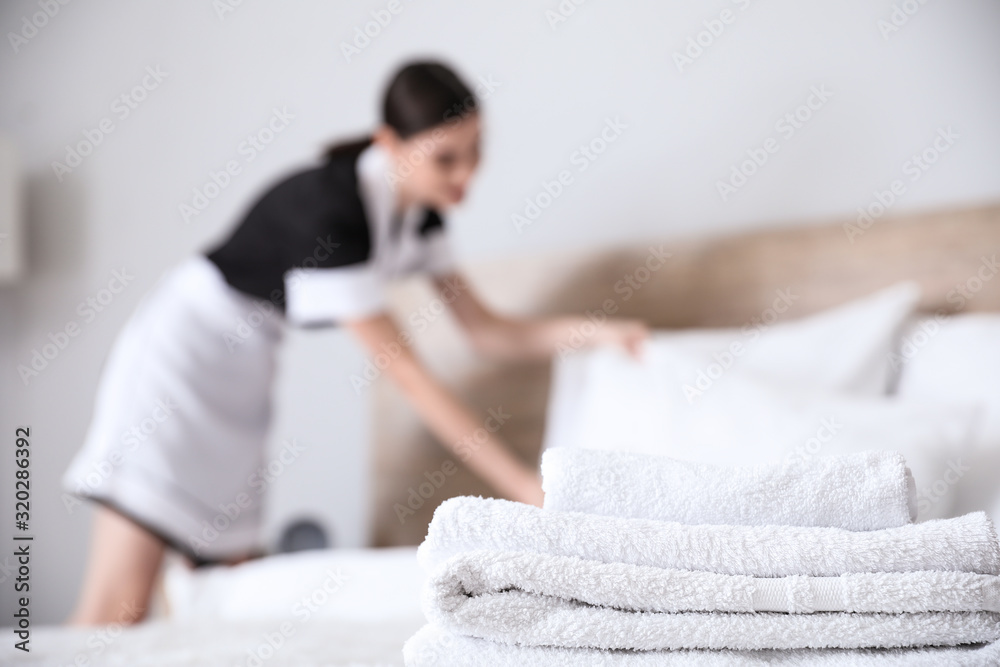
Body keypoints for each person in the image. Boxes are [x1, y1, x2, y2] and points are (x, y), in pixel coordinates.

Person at [61, 60, 649, 626]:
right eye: (446, 158)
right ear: (389, 143)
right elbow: (410, 378)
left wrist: (596, 334)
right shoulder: (334, 214)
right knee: (118, 612)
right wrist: (522, 487)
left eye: (475, 153)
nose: (465, 176)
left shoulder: (422, 216)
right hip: (181, 361)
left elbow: (485, 330)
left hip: (247, 372)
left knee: (231, 589)